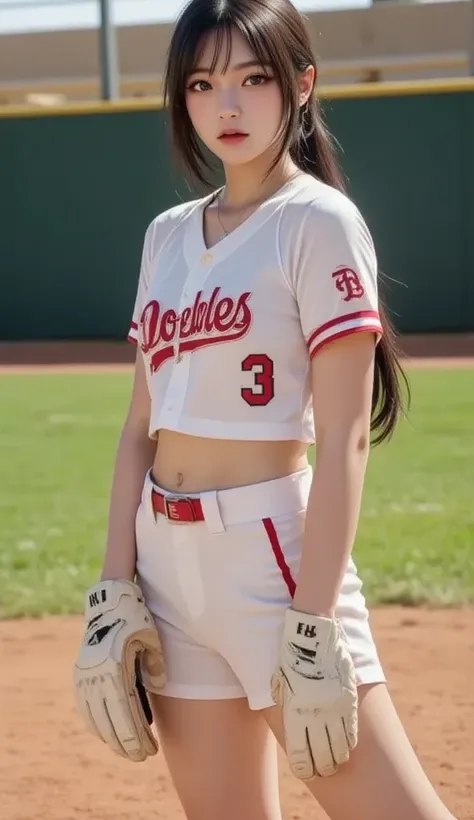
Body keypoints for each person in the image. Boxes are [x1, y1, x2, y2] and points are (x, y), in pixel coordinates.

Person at [73, 1, 458, 819]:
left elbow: (348, 435)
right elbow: (141, 427)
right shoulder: (166, 236)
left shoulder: (318, 221)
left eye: (254, 79)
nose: (229, 106)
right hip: (165, 569)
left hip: (273, 561)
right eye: (205, 84)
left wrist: (313, 620)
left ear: (301, 84)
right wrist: (113, 587)